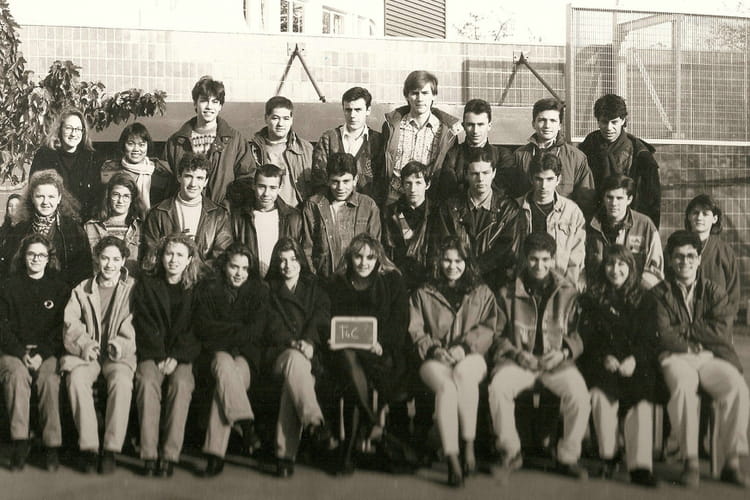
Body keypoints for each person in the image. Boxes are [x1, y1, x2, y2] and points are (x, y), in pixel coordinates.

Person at [489, 232, 590, 480]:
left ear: (553, 259)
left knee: (579, 394)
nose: (539, 265)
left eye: (545, 259)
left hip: (555, 363)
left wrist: (563, 353)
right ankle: (510, 451)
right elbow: (496, 335)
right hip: (518, 362)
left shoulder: (568, 291)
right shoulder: (507, 292)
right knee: (498, 388)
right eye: (534, 259)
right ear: (525, 259)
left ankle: (568, 456)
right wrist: (517, 354)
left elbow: (578, 334)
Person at [652, 230, 749, 488]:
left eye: (690, 256)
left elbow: (721, 330)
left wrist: (685, 329)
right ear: (670, 260)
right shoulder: (659, 294)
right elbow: (663, 334)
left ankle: (731, 463)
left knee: (736, 387)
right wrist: (689, 340)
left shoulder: (714, 292)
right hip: (675, 356)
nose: (684, 262)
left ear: (698, 259)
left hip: (709, 356)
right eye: (678, 257)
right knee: (684, 387)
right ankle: (691, 461)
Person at [408, 237, 499, 487]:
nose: (452, 266)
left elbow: (490, 328)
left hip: (471, 356)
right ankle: (452, 457)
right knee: (446, 388)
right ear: (438, 262)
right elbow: (415, 330)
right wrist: (435, 349)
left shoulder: (481, 292)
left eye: (459, 261)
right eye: (447, 260)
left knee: (464, 375)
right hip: (434, 358)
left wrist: (464, 348)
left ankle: (468, 445)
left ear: (467, 262)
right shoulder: (423, 293)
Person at [327, 234, 409, 474]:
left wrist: (382, 343)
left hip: (380, 354)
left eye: (370, 258)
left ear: (378, 259)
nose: (363, 263)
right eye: (358, 256)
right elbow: (329, 318)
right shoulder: (337, 282)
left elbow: (400, 322)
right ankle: (373, 424)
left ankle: (348, 453)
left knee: (355, 377)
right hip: (345, 353)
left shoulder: (392, 281)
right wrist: (332, 337)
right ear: (349, 257)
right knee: (349, 361)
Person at [578, 245, 659, 487]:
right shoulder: (592, 298)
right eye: (610, 264)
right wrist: (604, 357)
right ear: (603, 267)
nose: (615, 270)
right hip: (603, 363)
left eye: (621, 264)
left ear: (631, 268)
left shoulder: (645, 299)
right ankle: (609, 455)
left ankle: (640, 466)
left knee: (640, 402)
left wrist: (634, 359)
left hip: (635, 364)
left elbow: (649, 338)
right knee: (600, 396)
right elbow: (587, 337)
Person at [193, 243, 269, 477]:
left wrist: (226, 330)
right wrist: (238, 330)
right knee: (224, 366)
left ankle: (215, 456)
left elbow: (256, 331)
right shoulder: (208, 289)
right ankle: (246, 425)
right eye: (234, 267)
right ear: (224, 266)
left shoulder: (259, 291)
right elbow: (204, 327)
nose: (239, 273)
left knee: (227, 379)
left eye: (245, 269)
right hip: (214, 355)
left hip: (245, 358)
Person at [61, 236, 136, 474]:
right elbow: (71, 323)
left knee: (121, 382)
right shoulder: (81, 289)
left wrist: (120, 345)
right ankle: (90, 448)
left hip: (118, 354)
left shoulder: (133, 290)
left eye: (115, 259)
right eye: (105, 258)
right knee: (76, 379)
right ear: (96, 259)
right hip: (88, 354)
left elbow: (136, 324)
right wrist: (85, 345)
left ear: (123, 261)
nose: (109, 265)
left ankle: (111, 449)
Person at [133, 234, 203, 477]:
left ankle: (169, 455)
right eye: (169, 254)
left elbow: (197, 328)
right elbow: (143, 322)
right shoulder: (147, 284)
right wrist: (160, 355)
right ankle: (149, 454)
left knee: (181, 385)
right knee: (146, 382)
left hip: (182, 355)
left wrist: (177, 356)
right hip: (152, 352)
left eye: (180, 255)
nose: (173, 260)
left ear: (189, 259)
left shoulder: (197, 288)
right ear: (161, 257)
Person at [0, 234, 70, 471]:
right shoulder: (8, 286)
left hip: (46, 352)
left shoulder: (60, 289)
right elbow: (2, 328)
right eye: (31, 254)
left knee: (49, 380)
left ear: (49, 258)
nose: (36, 259)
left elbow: (61, 328)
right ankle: (20, 442)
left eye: (41, 255)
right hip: (14, 352)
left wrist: (42, 353)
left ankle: (52, 446)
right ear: (23, 256)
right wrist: (21, 353)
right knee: (17, 377)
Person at [265, 237, 332, 478]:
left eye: (293, 259)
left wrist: (310, 342)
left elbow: (321, 319)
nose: (288, 266)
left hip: (309, 355)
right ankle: (314, 422)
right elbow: (269, 325)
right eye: (282, 261)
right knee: (294, 361)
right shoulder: (267, 290)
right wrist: (293, 343)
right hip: (279, 353)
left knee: (292, 384)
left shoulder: (316, 290)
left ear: (301, 261)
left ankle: (285, 456)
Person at [437, 147, 524, 291]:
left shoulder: (509, 209)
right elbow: (445, 246)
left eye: (485, 173)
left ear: (494, 173)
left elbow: (508, 252)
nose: (480, 179)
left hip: (494, 285)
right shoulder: (449, 208)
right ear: (466, 174)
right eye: (475, 174)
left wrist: (475, 271)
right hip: (457, 282)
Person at [164, 76, 255, 205]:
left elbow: (247, 178)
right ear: (195, 103)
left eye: (215, 101)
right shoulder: (177, 141)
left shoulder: (235, 140)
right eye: (204, 101)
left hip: (222, 214)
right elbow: (165, 181)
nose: (209, 106)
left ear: (220, 106)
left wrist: (227, 208)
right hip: (184, 210)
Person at [380, 70, 462, 206]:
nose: (420, 98)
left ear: (434, 95)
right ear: (406, 95)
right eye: (414, 93)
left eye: (425, 93)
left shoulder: (446, 131)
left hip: (428, 200)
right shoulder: (392, 126)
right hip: (393, 198)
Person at [578, 94, 661, 227]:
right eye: (604, 122)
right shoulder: (586, 149)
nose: (609, 128)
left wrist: (646, 231)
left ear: (623, 121)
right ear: (598, 121)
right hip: (592, 223)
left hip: (629, 224)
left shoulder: (641, 156)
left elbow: (652, 202)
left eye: (614, 122)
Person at [0, 170, 91, 285]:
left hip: (63, 293)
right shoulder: (19, 230)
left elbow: (83, 272)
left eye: (51, 196)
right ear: (32, 198)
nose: (45, 202)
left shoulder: (74, 230)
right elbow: (7, 270)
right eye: (40, 196)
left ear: (59, 198)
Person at [143, 153, 232, 269]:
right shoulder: (158, 213)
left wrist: (196, 273)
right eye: (188, 176)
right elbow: (151, 255)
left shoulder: (219, 215)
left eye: (199, 178)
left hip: (205, 278)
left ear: (206, 181)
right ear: (179, 177)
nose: (193, 184)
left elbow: (221, 256)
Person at [302, 152, 381, 280]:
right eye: (335, 181)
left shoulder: (368, 206)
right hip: (324, 281)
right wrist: (314, 281)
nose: (340, 187)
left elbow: (375, 249)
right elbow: (307, 249)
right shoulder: (313, 205)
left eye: (346, 181)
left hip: (357, 282)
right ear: (327, 180)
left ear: (355, 180)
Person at [513, 98, 595, 217]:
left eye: (553, 120)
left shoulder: (576, 158)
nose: (547, 125)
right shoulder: (519, 155)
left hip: (564, 223)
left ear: (560, 125)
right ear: (533, 123)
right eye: (542, 120)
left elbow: (586, 200)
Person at [516, 153, 586, 286]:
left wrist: (566, 289)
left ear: (558, 179)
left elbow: (576, 258)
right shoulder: (516, 208)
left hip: (560, 284)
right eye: (539, 179)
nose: (544, 186)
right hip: (523, 284)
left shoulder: (572, 212)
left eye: (549, 179)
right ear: (531, 178)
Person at [585, 174, 662, 289]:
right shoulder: (589, 226)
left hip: (635, 293)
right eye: (609, 197)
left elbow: (655, 269)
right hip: (599, 293)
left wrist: (636, 292)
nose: (613, 203)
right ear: (603, 198)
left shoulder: (645, 226)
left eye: (619, 198)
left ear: (629, 199)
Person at [225, 164, 303, 278]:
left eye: (272, 188)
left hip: (280, 282)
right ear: (254, 185)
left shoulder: (292, 217)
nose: (266, 193)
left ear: (280, 188)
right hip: (249, 282)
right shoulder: (239, 217)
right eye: (262, 187)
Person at [437, 99, 517, 201]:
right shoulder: (453, 155)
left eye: (480, 124)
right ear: (463, 126)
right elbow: (447, 191)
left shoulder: (502, 155)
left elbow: (503, 191)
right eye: (470, 125)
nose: (475, 131)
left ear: (489, 126)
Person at [29, 107, 101, 220]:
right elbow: (34, 190)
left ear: (83, 132)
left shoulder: (91, 157)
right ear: (60, 129)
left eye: (78, 129)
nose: (73, 133)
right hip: (50, 220)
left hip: (83, 222)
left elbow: (96, 196)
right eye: (69, 128)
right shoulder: (44, 155)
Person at [312, 86, 384, 198]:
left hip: (367, 206)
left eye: (358, 110)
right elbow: (319, 177)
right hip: (333, 204)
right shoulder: (329, 139)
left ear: (368, 110)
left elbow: (381, 181)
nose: (352, 115)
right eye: (348, 110)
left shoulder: (378, 141)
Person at [382, 161, 439, 291]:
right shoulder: (390, 213)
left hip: (426, 282)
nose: (413, 189)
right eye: (408, 183)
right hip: (396, 282)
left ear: (427, 184)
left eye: (418, 183)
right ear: (402, 185)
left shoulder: (436, 213)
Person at [249, 96, 314, 208]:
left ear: (292, 120)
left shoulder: (306, 149)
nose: (280, 124)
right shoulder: (252, 150)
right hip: (265, 213)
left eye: (286, 118)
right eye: (275, 118)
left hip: (298, 214)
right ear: (266, 118)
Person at [684, 194, 741, 321]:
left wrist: (723, 322)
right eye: (695, 213)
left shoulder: (725, 252)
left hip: (716, 324)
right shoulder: (676, 247)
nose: (699, 217)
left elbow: (733, 294)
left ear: (715, 219)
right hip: (683, 323)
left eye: (705, 214)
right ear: (688, 216)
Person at [100, 122, 176, 209]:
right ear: (123, 145)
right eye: (130, 144)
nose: (136, 149)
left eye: (141, 145)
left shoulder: (160, 171)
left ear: (147, 146)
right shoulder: (109, 171)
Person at [84, 173, 146, 276]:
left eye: (126, 196)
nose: (120, 201)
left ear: (132, 199)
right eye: (116, 195)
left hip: (132, 284)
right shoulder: (91, 227)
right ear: (108, 196)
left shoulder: (141, 227)